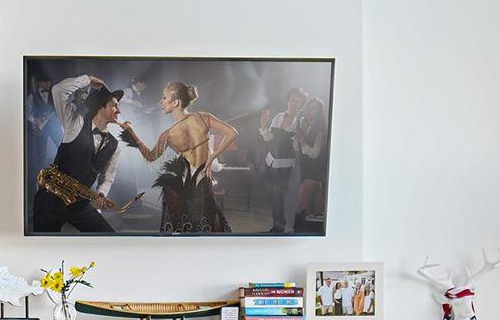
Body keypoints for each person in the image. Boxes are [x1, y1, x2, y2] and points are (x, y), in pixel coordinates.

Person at [123, 79, 237, 234]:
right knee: (210, 226)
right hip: (202, 181)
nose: (160, 101)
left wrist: (132, 134)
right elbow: (232, 133)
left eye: (164, 97)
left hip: (182, 186)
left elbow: (150, 157)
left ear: (175, 102)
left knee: (185, 230)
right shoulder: (203, 117)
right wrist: (211, 158)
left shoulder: (168, 135)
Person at [29, 79, 140, 234]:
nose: (119, 110)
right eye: (114, 105)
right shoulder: (75, 123)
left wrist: (101, 194)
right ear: (101, 107)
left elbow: (107, 177)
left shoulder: (114, 146)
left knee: (108, 238)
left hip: (79, 203)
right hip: (50, 199)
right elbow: (58, 91)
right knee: (44, 251)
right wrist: (89, 79)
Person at [259, 83, 324, 234]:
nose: (294, 102)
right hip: (271, 161)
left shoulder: (301, 122)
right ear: (287, 100)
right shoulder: (278, 116)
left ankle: (280, 226)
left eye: (298, 101)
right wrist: (263, 125)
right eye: (292, 99)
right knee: (272, 194)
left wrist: (298, 137)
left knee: (278, 193)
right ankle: (278, 223)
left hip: (286, 164)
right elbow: (268, 138)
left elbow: (298, 148)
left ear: (302, 104)